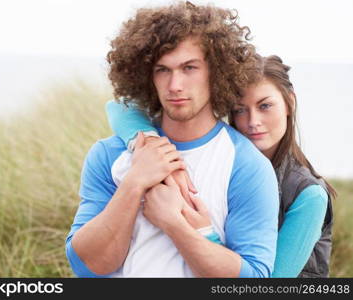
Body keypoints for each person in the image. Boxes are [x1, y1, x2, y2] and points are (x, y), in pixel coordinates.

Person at [66, 1, 279, 278]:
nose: (174, 85)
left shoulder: (246, 165)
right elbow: (86, 267)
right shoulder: (110, 153)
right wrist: (134, 183)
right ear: (146, 76)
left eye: (189, 68)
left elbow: (254, 279)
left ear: (215, 72)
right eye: (162, 70)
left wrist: (173, 223)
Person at [106, 54, 336, 277]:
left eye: (265, 106)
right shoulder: (230, 163)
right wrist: (152, 145)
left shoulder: (309, 195)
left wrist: (204, 233)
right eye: (239, 110)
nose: (252, 122)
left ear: (289, 103)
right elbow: (119, 106)